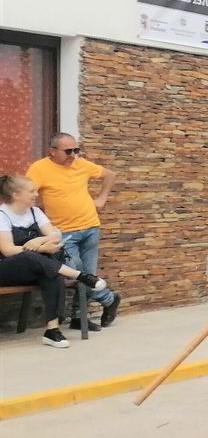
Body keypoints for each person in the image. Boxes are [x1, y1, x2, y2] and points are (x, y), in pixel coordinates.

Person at [0, 174, 113, 348]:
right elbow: (8, 250)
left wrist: (38, 242)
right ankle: (80, 275)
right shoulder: (2, 216)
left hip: (36, 267)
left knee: (51, 275)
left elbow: (55, 236)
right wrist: (40, 247)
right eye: (32, 191)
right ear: (16, 194)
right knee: (30, 257)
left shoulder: (35, 212)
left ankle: (52, 331)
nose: (36, 194)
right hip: (7, 270)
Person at [27, 134, 120, 327]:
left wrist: (101, 199)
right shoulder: (39, 168)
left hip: (91, 227)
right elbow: (27, 194)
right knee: (81, 274)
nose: (73, 155)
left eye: (76, 150)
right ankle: (109, 299)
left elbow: (109, 175)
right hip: (63, 233)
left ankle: (79, 318)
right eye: (68, 151)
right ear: (52, 151)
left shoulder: (82, 164)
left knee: (89, 273)